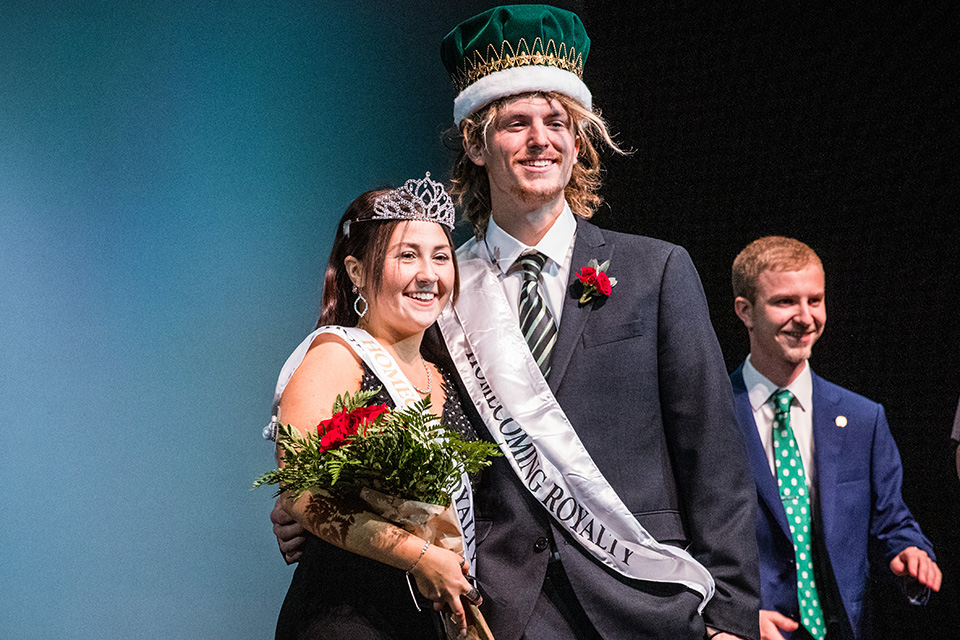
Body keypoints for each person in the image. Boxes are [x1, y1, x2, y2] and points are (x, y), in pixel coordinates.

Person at [274, 6, 760, 639]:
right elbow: (371, 422)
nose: (541, 140)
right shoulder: (441, 293)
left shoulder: (657, 270)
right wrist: (305, 505)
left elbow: (715, 460)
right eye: (517, 123)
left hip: (641, 601)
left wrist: (731, 618)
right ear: (477, 143)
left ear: (578, 140)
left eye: (557, 122)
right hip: (499, 609)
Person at [264, 174, 483, 639]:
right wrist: (422, 557)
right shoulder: (336, 356)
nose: (429, 274)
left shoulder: (450, 375)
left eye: (441, 257)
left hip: (427, 622)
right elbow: (303, 494)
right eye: (407, 255)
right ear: (357, 271)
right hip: (349, 616)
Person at [729, 236, 942, 640]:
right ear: (746, 311)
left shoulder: (863, 418)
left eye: (815, 300)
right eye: (785, 302)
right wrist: (731, 617)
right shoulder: (714, 414)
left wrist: (909, 551)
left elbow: (891, 520)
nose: (805, 317)